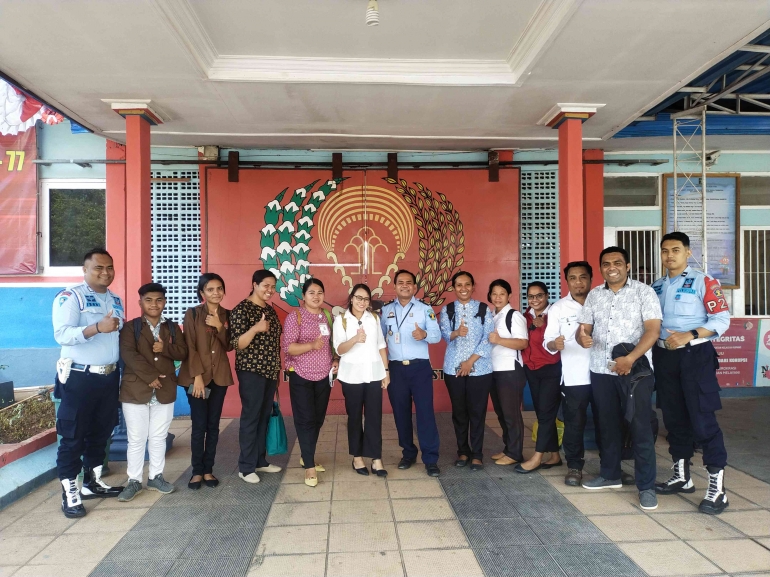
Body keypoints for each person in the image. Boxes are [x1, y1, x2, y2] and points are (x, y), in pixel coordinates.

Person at [577, 246, 662, 511]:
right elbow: (584, 330)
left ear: (627, 266)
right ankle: (610, 474)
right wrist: (583, 338)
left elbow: (653, 330)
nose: (611, 267)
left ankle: (646, 486)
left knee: (640, 427)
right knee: (608, 425)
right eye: (605, 263)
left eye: (617, 262)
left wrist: (631, 358)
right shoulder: (594, 295)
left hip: (634, 374)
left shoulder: (643, 292)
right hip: (601, 371)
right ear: (601, 268)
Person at [651, 232, 731, 515]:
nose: (669, 255)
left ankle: (717, 488)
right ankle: (682, 476)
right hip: (664, 357)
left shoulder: (704, 281)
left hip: (695, 356)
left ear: (687, 252)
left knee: (702, 419)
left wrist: (690, 334)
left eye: (675, 250)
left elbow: (721, 320)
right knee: (673, 418)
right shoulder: (656, 287)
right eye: (664, 250)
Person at [52, 248, 125, 518]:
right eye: (98, 268)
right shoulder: (70, 297)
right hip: (79, 377)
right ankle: (70, 491)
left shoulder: (116, 299)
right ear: (85, 270)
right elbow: (61, 334)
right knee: (73, 436)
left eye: (109, 267)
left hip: (108, 377)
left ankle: (92, 483)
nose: (105, 272)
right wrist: (96, 328)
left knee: (101, 431)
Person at [117, 283, 188, 501]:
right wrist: (151, 377)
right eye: (149, 300)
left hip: (164, 390)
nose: (154, 304)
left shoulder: (173, 328)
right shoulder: (131, 328)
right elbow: (128, 354)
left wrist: (164, 348)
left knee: (158, 437)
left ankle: (156, 476)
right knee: (137, 438)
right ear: (140, 303)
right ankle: (134, 480)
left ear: (164, 302)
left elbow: (183, 352)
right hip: (135, 390)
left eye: (159, 300)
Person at [380, 270, 442, 477]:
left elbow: (436, 336)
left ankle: (431, 458)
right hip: (396, 368)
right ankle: (408, 453)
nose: (404, 286)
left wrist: (424, 334)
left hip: (420, 368)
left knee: (425, 413)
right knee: (401, 413)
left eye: (409, 283)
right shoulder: (387, 310)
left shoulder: (425, 310)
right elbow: (380, 340)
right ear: (395, 286)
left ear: (415, 287)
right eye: (400, 282)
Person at [282, 278, 338, 487]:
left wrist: (334, 359)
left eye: (320, 292)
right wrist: (312, 345)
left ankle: (308, 455)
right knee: (305, 419)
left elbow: (331, 345)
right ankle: (309, 468)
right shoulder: (295, 317)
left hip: (323, 375)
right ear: (303, 296)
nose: (316, 296)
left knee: (317, 419)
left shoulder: (327, 317)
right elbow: (289, 348)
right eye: (312, 292)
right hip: (301, 375)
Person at [179, 272, 233, 490]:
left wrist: (220, 326)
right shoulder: (192, 314)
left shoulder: (228, 315)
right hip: (197, 378)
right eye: (210, 289)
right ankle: (196, 472)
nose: (216, 293)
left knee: (213, 425)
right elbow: (190, 346)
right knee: (198, 425)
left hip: (219, 376)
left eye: (219, 288)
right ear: (202, 293)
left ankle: (208, 469)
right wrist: (197, 377)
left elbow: (229, 345)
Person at [543, 262, 595, 486]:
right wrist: (555, 344)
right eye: (573, 278)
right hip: (574, 376)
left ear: (591, 279)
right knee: (575, 423)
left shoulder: (601, 302)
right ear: (567, 282)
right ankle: (574, 465)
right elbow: (547, 342)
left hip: (604, 373)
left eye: (583, 277)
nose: (578, 282)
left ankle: (613, 467)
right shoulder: (558, 309)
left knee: (609, 421)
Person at [231, 270, 283, 484]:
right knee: (251, 417)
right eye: (266, 286)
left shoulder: (269, 311)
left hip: (270, 371)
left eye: (273, 287)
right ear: (254, 284)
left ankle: (260, 460)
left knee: (263, 416)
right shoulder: (241, 309)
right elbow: (237, 344)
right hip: (251, 371)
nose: (270, 291)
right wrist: (255, 328)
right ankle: (245, 467)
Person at [439, 271, 494, 471]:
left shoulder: (483, 309)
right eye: (459, 285)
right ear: (453, 288)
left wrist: (470, 361)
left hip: (480, 369)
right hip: (453, 369)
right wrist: (456, 332)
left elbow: (489, 338)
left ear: (473, 286)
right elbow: (444, 335)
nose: (463, 288)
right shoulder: (448, 310)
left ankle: (477, 454)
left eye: (467, 284)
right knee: (460, 412)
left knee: (477, 412)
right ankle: (463, 451)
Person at [333, 283, 390, 477]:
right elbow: (339, 349)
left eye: (366, 299)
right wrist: (355, 339)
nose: (362, 302)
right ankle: (357, 457)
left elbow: (381, 346)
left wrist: (386, 371)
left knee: (374, 417)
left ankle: (376, 458)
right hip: (351, 377)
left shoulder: (373, 318)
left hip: (374, 374)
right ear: (351, 298)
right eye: (358, 298)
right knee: (355, 417)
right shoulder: (341, 320)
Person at [516, 281, 563, 474]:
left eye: (539, 296)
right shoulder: (524, 316)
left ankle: (537, 457)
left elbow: (558, 340)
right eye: (531, 296)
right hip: (531, 369)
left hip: (551, 369)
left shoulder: (555, 315)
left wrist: (544, 326)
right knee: (543, 413)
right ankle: (555, 456)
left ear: (547, 296)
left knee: (545, 413)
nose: (535, 300)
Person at [486, 279, 528, 466]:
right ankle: (508, 448)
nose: (497, 297)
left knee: (511, 414)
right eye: (494, 293)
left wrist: (499, 339)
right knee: (502, 413)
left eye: (502, 293)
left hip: (510, 370)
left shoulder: (514, 315)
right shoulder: (493, 315)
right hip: (495, 370)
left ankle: (515, 453)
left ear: (509, 295)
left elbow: (522, 343)